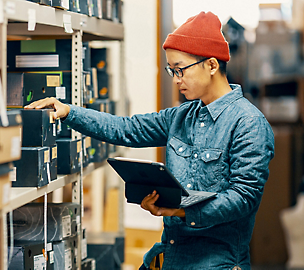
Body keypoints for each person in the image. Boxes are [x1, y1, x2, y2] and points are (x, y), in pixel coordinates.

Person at [25, 11, 275, 270]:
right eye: (171, 70)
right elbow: (126, 129)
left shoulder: (248, 124)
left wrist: (178, 211)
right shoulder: (182, 116)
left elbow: (243, 199)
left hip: (216, 263)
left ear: (211, 65)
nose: (176, 80)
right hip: (170, 256)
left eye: (181, 70)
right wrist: (69, 111)